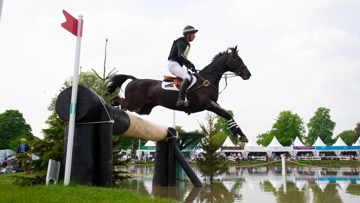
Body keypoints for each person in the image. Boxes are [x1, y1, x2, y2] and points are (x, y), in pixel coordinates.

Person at [168, 25, 198, 106]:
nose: (194, 35)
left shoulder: (188, 44)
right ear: (187, 34)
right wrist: (189, 64)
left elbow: (183, 59)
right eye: (193, 33)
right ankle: (180, 99)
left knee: (190, 76)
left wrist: (190, 66)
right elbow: (180, 55)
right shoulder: (181, 41)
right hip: (173, 64)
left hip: (178, 64)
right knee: (187, 77)